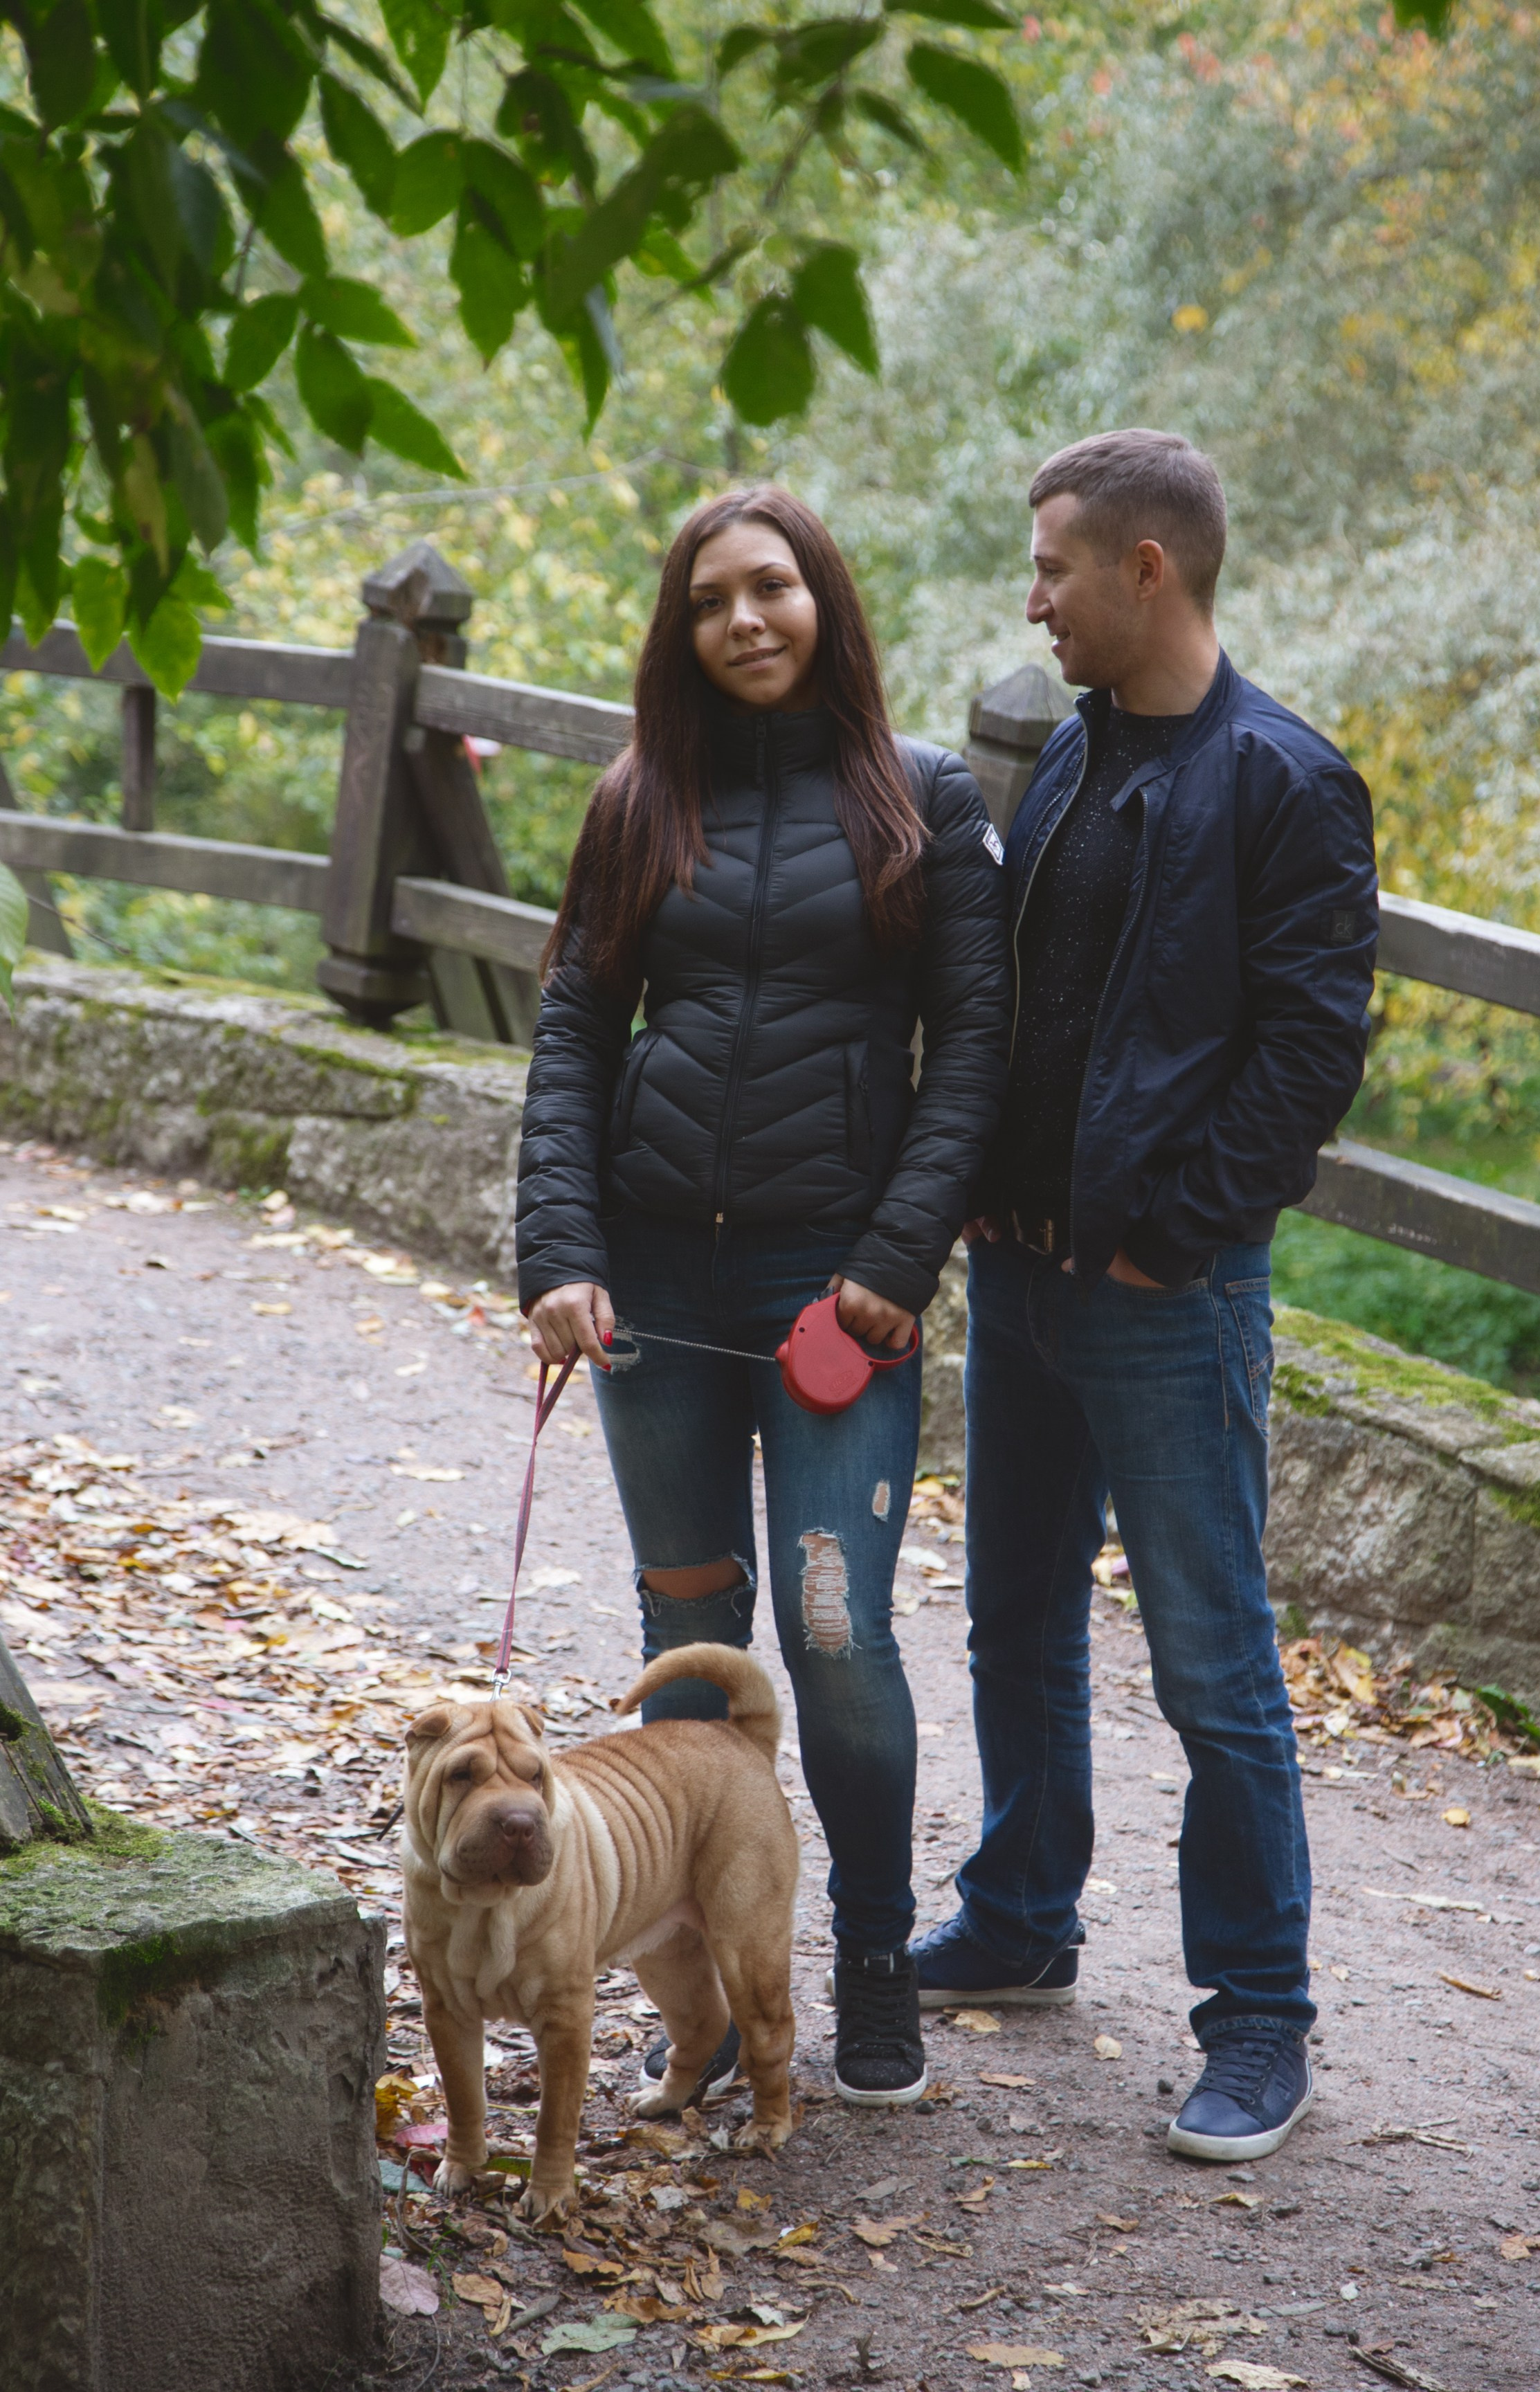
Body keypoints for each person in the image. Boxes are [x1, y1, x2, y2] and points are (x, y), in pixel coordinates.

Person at [909, 429, 1378, 2162]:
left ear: (1146, 569)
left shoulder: (1285, 779)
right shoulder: (1077, 749)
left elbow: (1308, 1051)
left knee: (1213, 1664)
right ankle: (1022, 1919)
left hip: (1162, 1296)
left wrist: (1166, 1239)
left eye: (1054, 568)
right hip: (1021, 1277)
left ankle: (1260, 2018)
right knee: (1014, 1621)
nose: (1034, 601)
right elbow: (1034, 1003)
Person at [516, 485, 1011, 2107]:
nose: (744, 618)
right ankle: (712, 1994)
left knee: (835, 1632)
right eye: (710, 598)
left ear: (824, 603)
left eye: (772, 587)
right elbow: (576, 1037)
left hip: (834, 1299)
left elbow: (975, 1054)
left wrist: (894, 1262)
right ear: (682, 630)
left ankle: (870, 1954)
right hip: (651, 1290)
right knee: (688, 1638)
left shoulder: (922, 799)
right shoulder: (636, 801)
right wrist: (559, 1255)